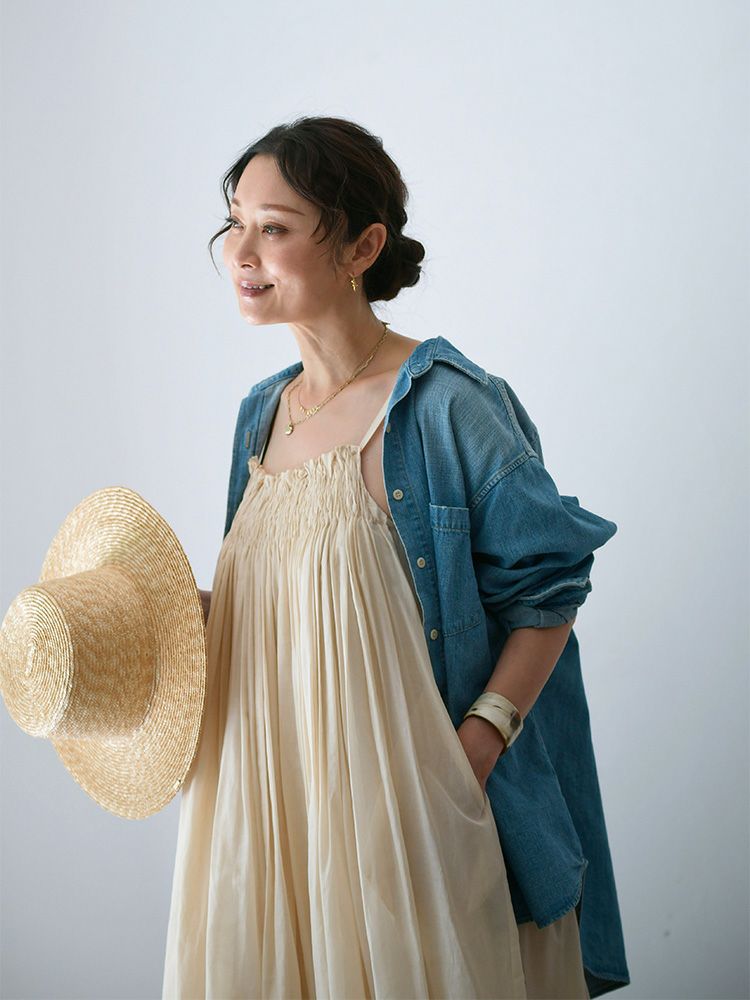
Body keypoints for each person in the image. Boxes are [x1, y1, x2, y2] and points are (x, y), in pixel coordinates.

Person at [161, 115, 630, 999]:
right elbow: (291, 611)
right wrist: (175, 612)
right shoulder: (260, 415)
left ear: (361, 246)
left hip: (403, 816)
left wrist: (474, 751)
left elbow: (551, 589)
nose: (241, 253)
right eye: (234, 223)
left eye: (274, 227)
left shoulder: (446, 404)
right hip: (273, 807)